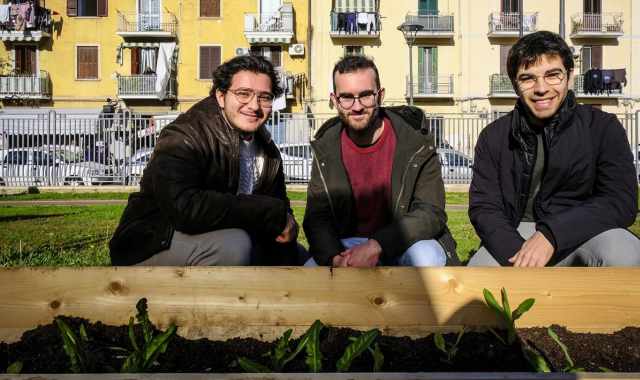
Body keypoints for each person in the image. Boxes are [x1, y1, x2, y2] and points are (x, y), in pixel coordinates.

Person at [468, 31, 640, 267]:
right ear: (516, 85)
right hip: (516, 233)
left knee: (625, 252)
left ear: (569, 76)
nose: (541, 88)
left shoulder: (603, 128)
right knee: (479, 271)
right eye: (528, 78)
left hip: (584, 230)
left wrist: (552, 235)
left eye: (552, 75)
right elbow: (484, 208)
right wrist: (520, 255)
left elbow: (619, 201)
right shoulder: (494, 137)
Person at [109, 55, 301, 266]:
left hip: (221, 236)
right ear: (220, 96)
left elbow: (279, 207)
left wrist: (287, 222)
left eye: (264, 97)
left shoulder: (267, 148)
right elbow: (184, 208)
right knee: (234, 247)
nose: (254, 105)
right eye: (243, 94)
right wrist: (267, 212)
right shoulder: (184, 135)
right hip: (151, 242)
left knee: (297, 257)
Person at [303, 55, 458, 267]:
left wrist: (378, 244)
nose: (356, 107)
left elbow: (430, 213)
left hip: (402, 242)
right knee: (310, 270)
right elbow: (316, 218)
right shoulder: (326, 147)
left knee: (426, 257)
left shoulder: (416, 142)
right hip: (348, 245)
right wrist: (334, 257)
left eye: (365, 95)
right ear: (334, 99)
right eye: (346, 97)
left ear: (380, 95)